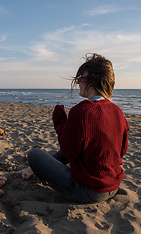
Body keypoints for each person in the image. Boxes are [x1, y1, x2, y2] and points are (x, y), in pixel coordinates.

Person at [17, 53, 129, 203]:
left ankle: (34, 168)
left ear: (92, 81)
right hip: (113, 187)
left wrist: (60, 123)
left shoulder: (82, 110)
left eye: (81, 78)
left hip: (87, 191)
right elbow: (121, 151)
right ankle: (33, 170)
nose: (78, 83)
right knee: (81, 145)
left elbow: (69, 150)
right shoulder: (118, 111)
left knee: (34, 154)